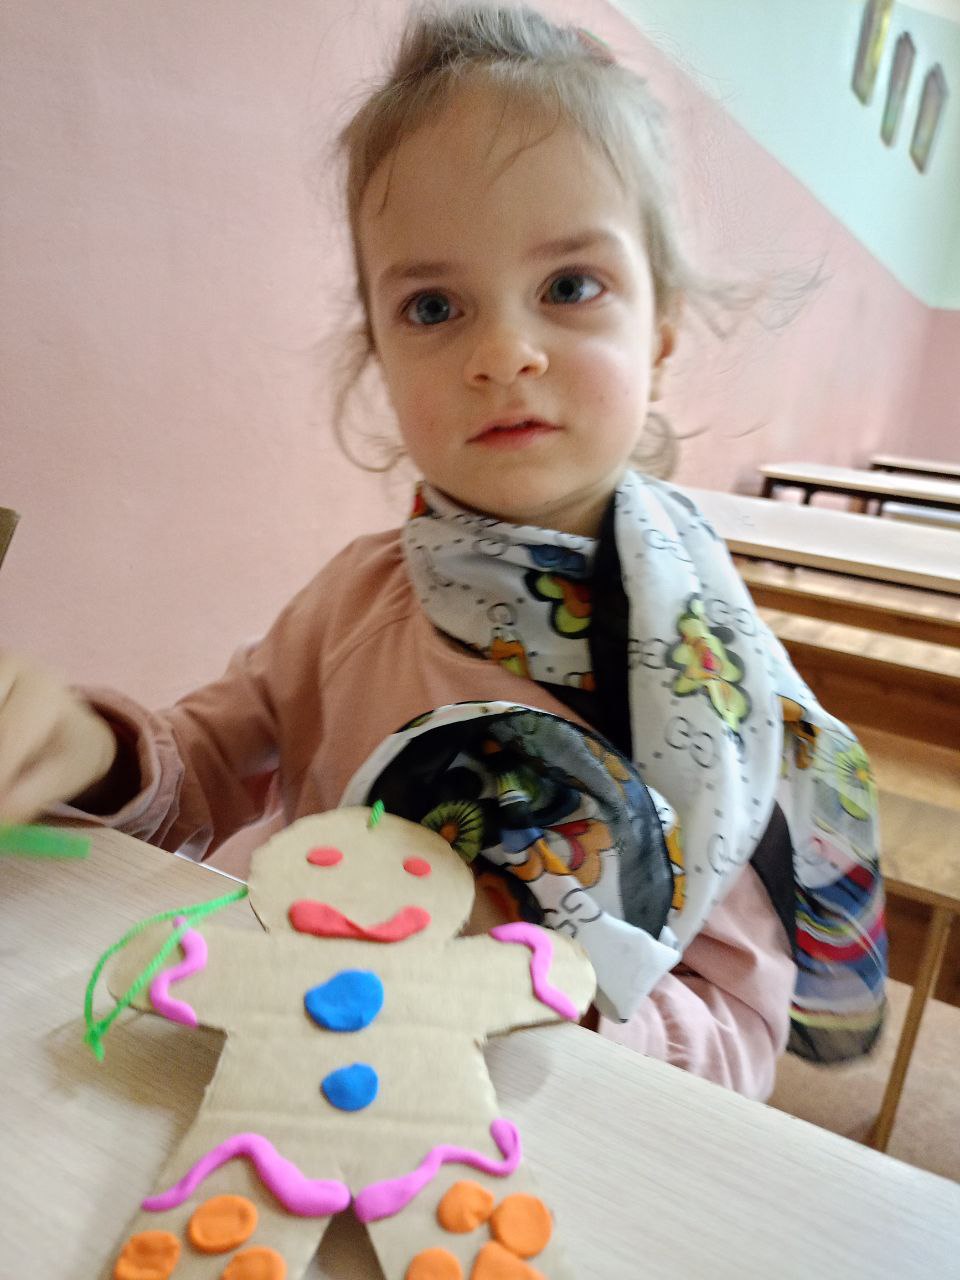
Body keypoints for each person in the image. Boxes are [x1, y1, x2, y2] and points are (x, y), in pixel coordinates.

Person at [0, 3, 884, 1101]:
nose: (504, 352)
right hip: (287, 1090)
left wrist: (532, 1001)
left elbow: (737, 1032)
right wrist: (92, 752)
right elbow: (196, 777)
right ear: (377, 353)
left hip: (519, 1150)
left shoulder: (718, 691)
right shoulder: (356, 601)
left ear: (658, 330)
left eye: (569, 287)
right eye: (433, 305)